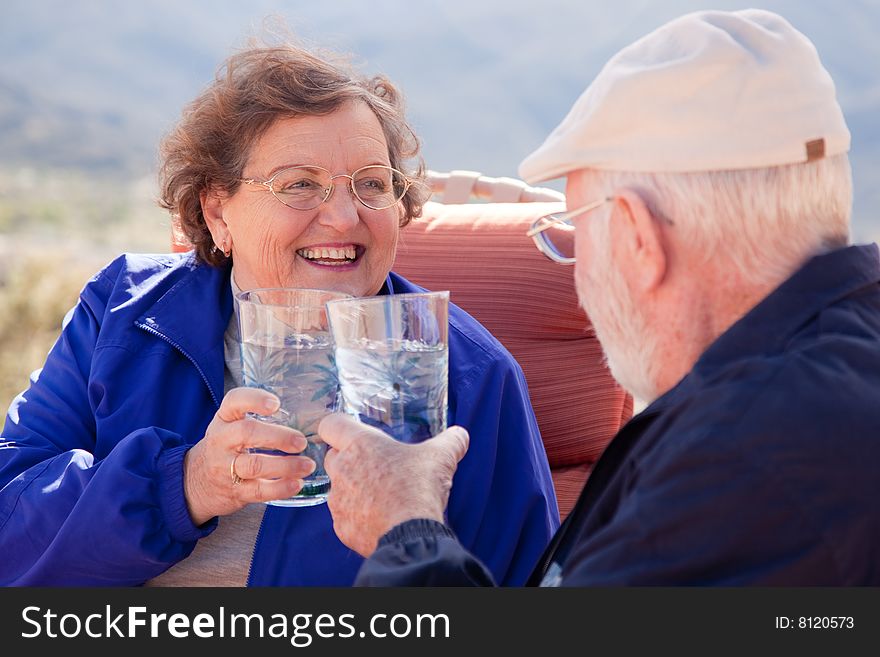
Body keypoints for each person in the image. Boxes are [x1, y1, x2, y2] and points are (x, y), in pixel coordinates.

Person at [317, 9, 880, 585]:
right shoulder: (828, 370)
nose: (581, 279)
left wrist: (404, 530)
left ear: (639, 239)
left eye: (578, 236)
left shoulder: (740, 459)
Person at [0, 41, 559, 586]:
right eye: (299, 185)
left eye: (371, 184)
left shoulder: (467, 374)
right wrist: (185, 485)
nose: (343, 217)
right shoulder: (123, 310)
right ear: (217, 211)